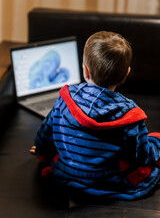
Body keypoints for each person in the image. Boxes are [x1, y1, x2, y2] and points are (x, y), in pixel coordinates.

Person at [30, 31, 160, 200]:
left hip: (67, 174)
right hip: (107, 181)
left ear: (85, 70)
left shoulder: (65, 99)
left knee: (58, 153)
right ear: (126, 74)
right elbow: (142, 156)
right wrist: (156, 145)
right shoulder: (131, 116)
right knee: (155, 140)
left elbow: (46, 132)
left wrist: (40, 150)